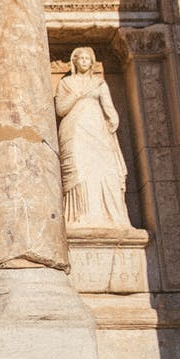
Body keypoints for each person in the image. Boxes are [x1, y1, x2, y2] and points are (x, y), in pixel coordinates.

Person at [55, 46, 130, 229]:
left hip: (97, 129)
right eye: (80, 58)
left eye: (87, 59)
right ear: (74, 62)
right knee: (80, 170)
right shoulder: (66, 84)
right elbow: (60, 109)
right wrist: (76, 95)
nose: (84, 61)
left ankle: (109, 217)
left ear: (92, 62)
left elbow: (108, 106)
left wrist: (113, 120)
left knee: (104, 169)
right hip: (74, 130)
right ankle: (79, 216)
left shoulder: (98, 83)